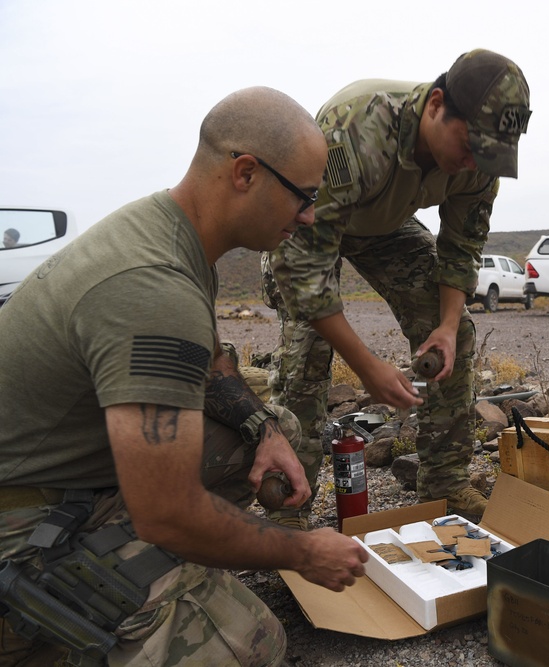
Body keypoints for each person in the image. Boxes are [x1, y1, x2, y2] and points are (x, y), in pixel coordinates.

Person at [0, 86, 368, 666]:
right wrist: (303, 551)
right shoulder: (154, 287)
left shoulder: (176, 236)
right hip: (21, 524)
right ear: (245, 172)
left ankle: (168, 573)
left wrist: (264, 430)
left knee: (275, 430)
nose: (310, 216)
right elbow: (164, 511)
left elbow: (213, 363)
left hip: (67, 473)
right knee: (255, 646)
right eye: (304, 196)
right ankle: (42, 632)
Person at [263, 49, 531, 521]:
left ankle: (444, 484)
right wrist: (366, 367)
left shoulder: (480, 159)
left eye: (487, 154)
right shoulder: (358, 131)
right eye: (469, 145)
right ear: (435, 105)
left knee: (460, 335)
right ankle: (291, 507)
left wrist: (446, 327)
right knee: (306, 353)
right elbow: (305, 265)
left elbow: (461, 245)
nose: (473, 161)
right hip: (305, 225)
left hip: (383, 227)